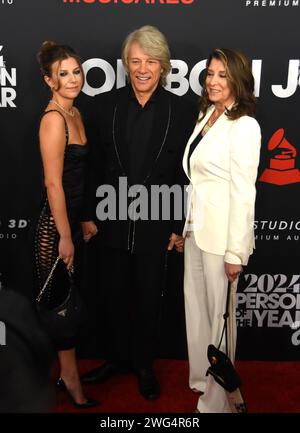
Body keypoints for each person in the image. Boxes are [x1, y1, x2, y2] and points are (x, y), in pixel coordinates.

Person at [80, 25, 196, 400]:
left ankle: (144, 365)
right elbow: (93, 166)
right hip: (110, 220)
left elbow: (185, 172)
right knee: (111, 295)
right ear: (126, 65)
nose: (142, 68)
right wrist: (86, 214)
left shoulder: (182, 110)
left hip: (157, 222)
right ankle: (116, 358)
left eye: (150, 61)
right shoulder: (104, 106)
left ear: (163, 66)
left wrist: (178, 224)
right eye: (135, 61)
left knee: (149, 298)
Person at [182, 48, 261, 412]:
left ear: (238, 81)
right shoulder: (207, 115)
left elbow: (244, 192)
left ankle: (218, 401)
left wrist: (236, 252)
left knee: (219, 321)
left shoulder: (244, 125)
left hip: (222, 238)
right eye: (210, 73)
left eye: (222, 75)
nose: (213, 81)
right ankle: (202, 380)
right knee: (197, 311)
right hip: (196, 231)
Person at [34, 41, 98, 408]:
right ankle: (71, 381)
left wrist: (83, 221)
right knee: (60, 308)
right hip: (54, 229)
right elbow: (53, 183)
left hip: (73, 223)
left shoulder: (75, 112)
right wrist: (64, 236)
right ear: (49, 80)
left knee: (71, 305)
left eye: (76, 71)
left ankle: (66, 375)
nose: (73, 79)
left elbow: (78, 177)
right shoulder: (54, 119)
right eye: (63, 74)